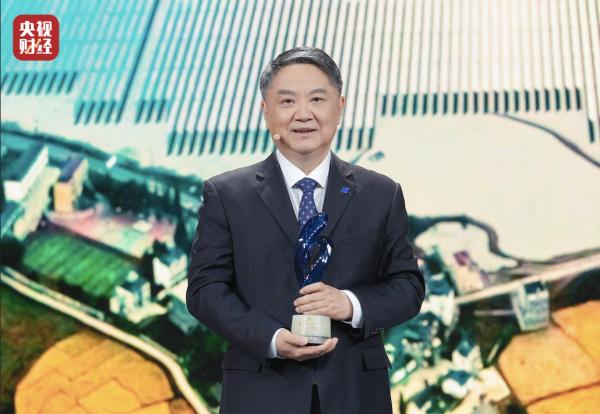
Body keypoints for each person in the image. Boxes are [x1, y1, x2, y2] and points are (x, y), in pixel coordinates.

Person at [186, 47, 424, 414]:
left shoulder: (381, 193)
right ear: (266, 111)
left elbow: (408, 287)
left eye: (317, 99)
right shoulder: (227, 194)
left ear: (339, 107)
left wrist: (349, 304)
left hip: (355, 392)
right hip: (260, 390)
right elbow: (205, 290)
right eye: (287, 101)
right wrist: (271, 338)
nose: (303, 114)